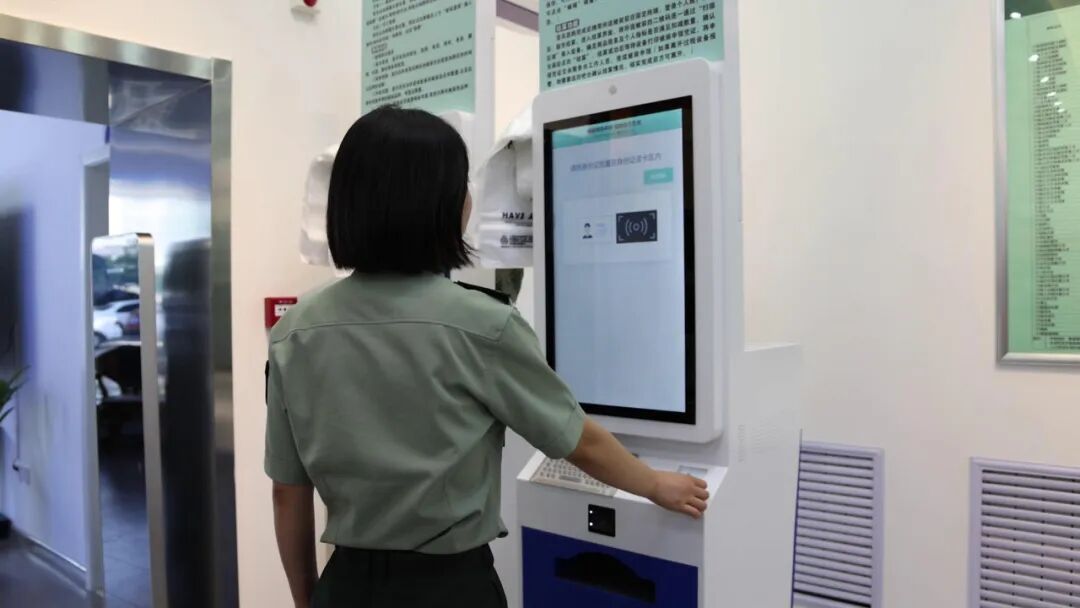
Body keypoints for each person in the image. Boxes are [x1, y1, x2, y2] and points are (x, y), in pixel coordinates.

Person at [265, 106, 710, 608]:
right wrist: (656, 485)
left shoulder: (293, 332)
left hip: (346, 584)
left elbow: (288, 492)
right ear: (441, 203)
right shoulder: (483, 325)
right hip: (449, 588)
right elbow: (577, 440)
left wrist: (309, 598)